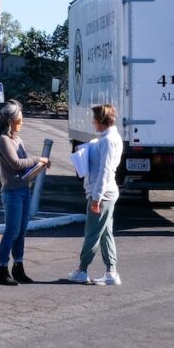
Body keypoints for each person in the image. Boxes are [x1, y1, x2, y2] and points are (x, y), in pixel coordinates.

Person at [0, 100, 50, 286]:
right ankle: (2, 268)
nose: (22, 123)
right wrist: (38, 159)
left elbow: (24, 163)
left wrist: (38, 166)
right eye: (19, 120)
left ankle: (18, 266)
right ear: (10, 120)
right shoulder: (3, 140)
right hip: (12, 192)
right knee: (12, 230)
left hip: (24, 189)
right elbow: (16, 163)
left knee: (22, 231)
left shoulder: (17, 139)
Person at [67, 104, 123, 286]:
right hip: (106, 192)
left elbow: (105, 171)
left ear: (100, 121)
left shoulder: (107, 140)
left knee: (91, 233)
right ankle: (111, 272)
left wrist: (97, 198)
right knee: (105, 232)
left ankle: (82, 270)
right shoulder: (108, 138)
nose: (92, 122)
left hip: (103, 194)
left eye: (94, 119)